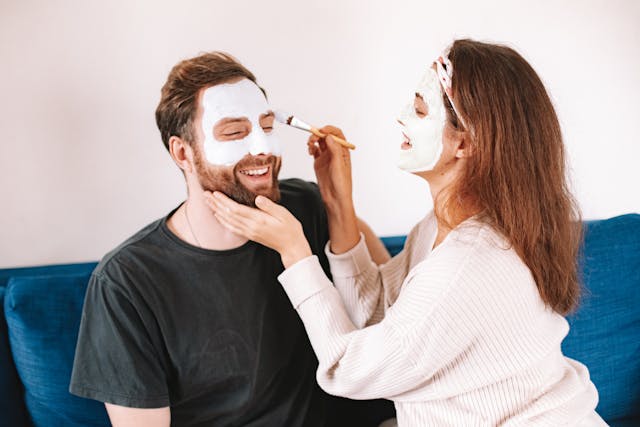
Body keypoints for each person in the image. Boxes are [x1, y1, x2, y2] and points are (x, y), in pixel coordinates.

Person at [206, 39, 608, 426]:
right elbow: (378, 313)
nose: (400, 116)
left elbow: (349, 370)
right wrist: (338, 204)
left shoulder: (469, 265)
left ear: (464, 143)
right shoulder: (445, 226)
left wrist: (295, 253)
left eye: (419, 110)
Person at [69, 51, 394, 426]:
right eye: (235, 132)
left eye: (267, 127)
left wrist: (338, 204)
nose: (263, 149)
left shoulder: (305, 206)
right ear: (182, 152)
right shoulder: (126, 282)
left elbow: (386, 325)